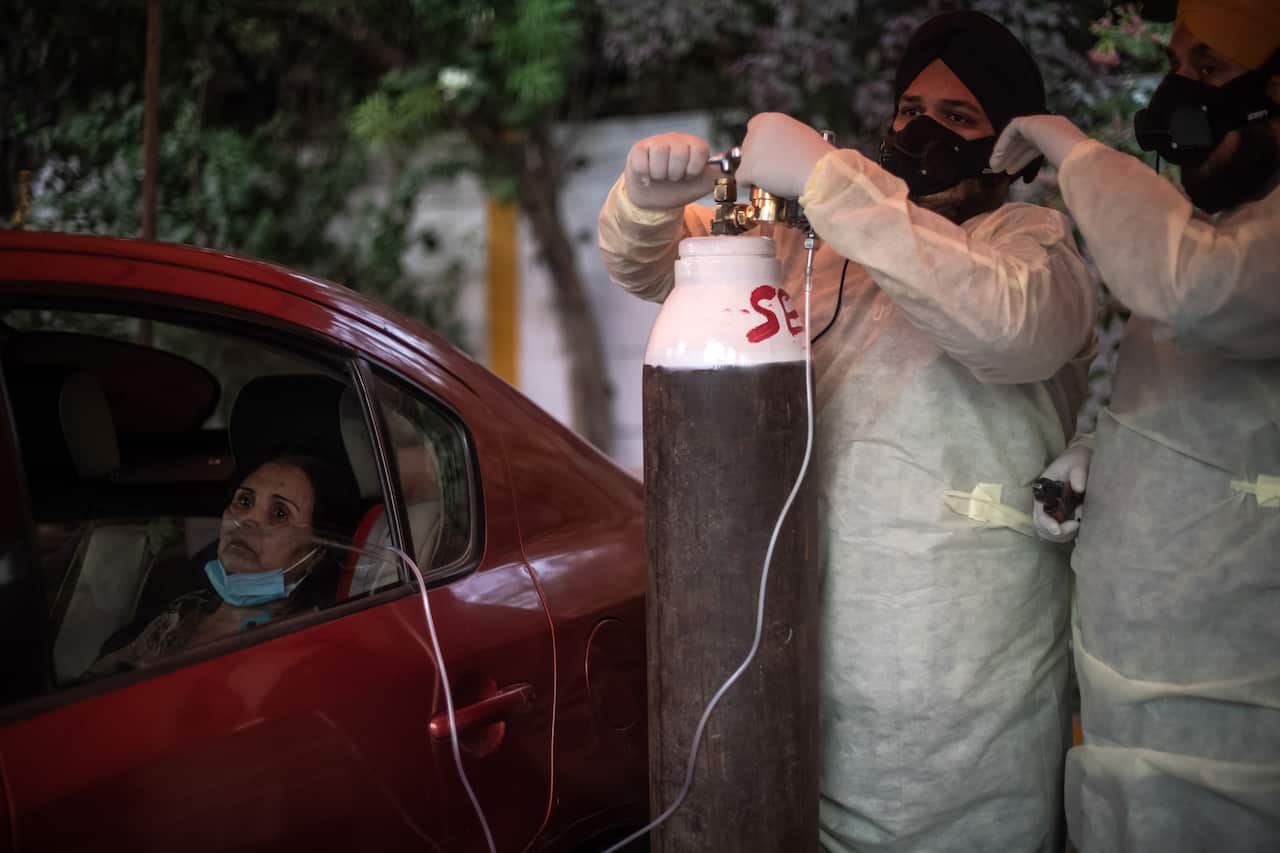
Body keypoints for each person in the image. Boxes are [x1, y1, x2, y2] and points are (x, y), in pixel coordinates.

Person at [599, 10, 1097, 852]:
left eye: (959, 117)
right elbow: (658, 267)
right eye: (909, 108)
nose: (921, 130)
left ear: (1004, 150)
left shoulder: (1033, 251)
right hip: (812, 682)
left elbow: (1006, 330)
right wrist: (644, 204)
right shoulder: (823, 252)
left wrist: (832, 179)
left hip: (965, 710)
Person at [988, 0, 1280, 849]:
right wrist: (1101, 456)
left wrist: (1077, 152)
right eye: (1179, 62)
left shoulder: (1229, 254)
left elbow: (1198, 289)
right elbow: (1201, 405)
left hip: (1243, 726)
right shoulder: (1227, 225)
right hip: (1138, 713)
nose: (1179, 93)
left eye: (1212, 68)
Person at [94, 452, 358, 672]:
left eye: (279, 514)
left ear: (317, 555)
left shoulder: (298, 649)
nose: (246, 520)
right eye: (244, 501)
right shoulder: (182, 610)